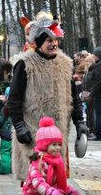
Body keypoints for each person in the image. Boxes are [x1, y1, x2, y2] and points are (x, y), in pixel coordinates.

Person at [8, 13, 86, 183]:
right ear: (39, 42)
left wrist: (80, 122)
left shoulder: (66, 64)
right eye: (49, 41)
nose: (54, 44)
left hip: (58, 135)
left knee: (53, 183)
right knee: (33, 184)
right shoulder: (25, 64)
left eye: (55, 40)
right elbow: (14, 99)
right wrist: (20, 126)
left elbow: (74, 97)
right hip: (33, 132)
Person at [3, 117, 80, 195]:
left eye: (59, 144)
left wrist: (67, 190)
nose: (58, 148)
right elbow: (37, 181)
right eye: (54, 145)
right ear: (44, 145)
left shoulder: (57, 161)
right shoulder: (38, 162)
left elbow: (58, 180)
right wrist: (49, 192)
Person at [0, 87, 12, 175]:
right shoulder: (20, 107)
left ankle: (4, 169)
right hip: (16, 135)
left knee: (5, 152)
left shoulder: (5, 109)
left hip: (6, 135)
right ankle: (12, 169)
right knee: (13, 153)